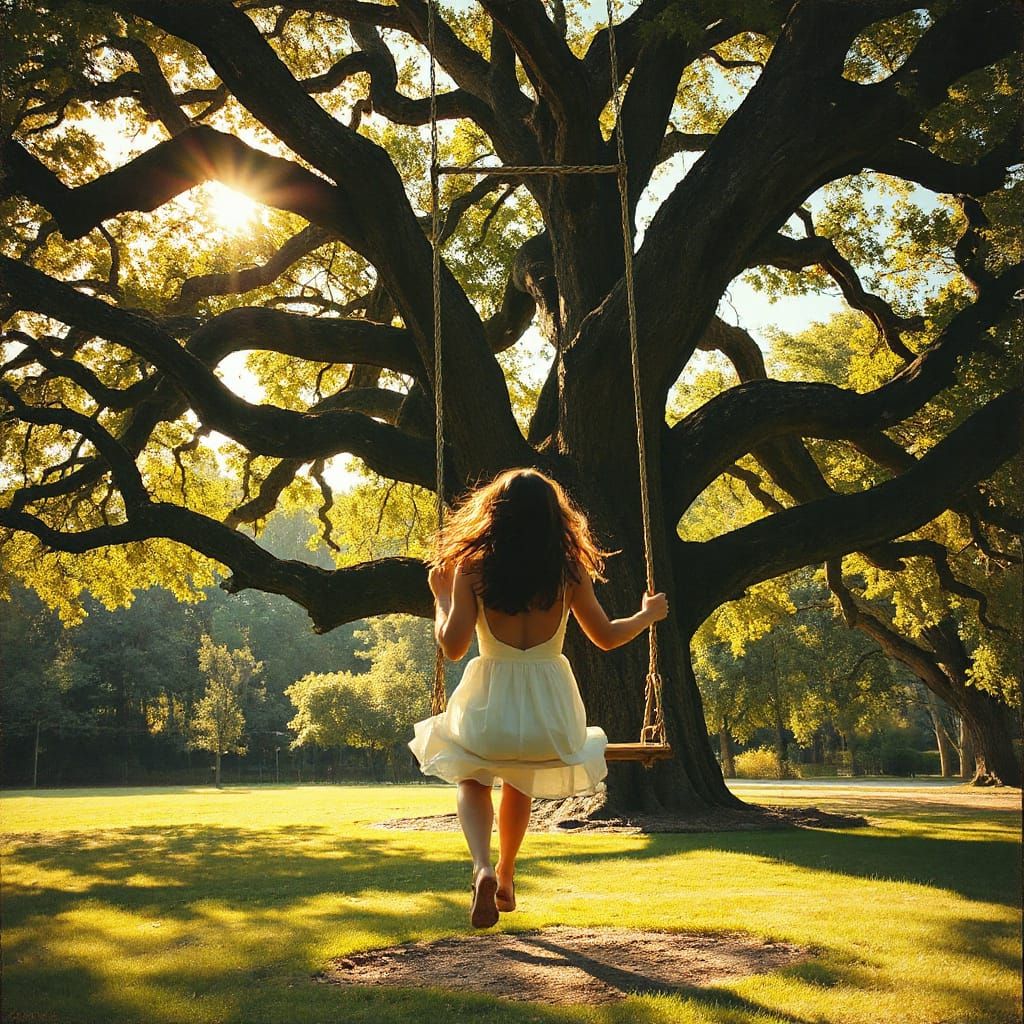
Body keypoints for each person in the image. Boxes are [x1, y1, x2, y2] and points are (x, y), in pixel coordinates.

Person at [408, 468, 668, 928]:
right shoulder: (567, 571)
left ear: (494, 515)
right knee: (519, 778)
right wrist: (647, 616)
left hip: (489, 703)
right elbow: (605, 636)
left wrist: (441, 598)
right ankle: (507, 873)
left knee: (472, 777)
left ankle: (482, 867)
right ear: (555, 518)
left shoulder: (473, 569)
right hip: (550, 714)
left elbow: (451, 646)